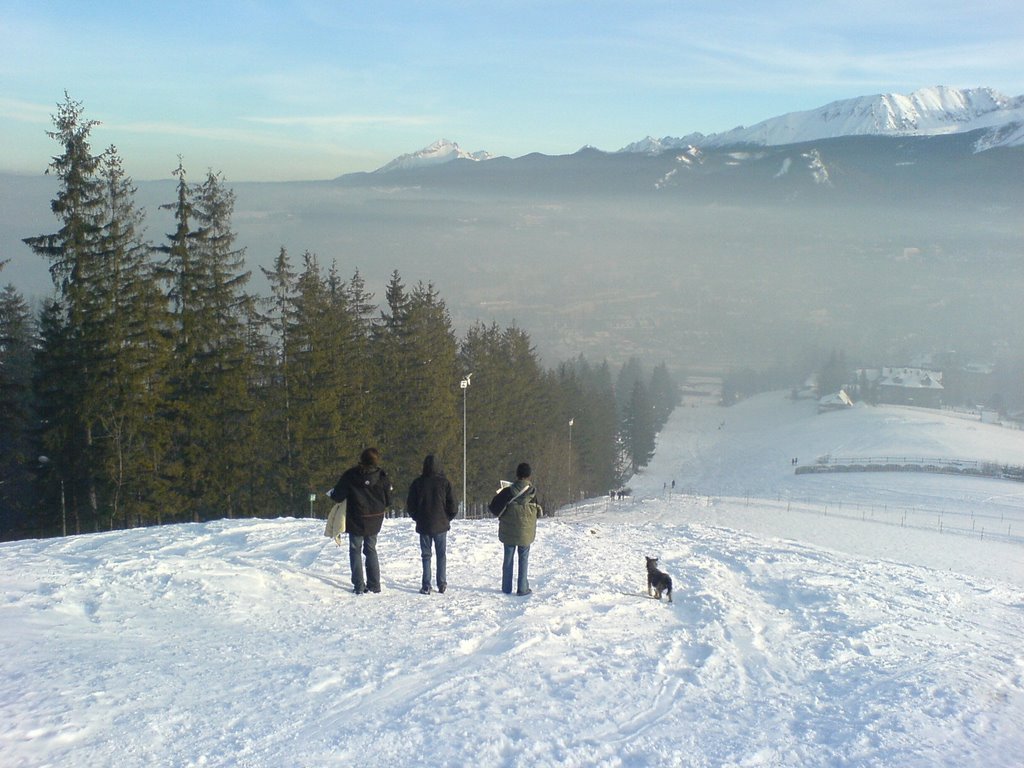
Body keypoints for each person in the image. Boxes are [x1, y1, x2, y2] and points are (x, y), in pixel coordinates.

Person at [328, 447, 392, 594]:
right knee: (371, 549)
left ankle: (359, 586)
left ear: (361, 458)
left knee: (355, 550)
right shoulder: (382, 476)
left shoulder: (351, 475)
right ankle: (375, 585)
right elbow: (389, 500)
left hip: (356, 518)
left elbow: (338, 495)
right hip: (375, 519)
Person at [488, 462, 542, 596]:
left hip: (509, 532)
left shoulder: (508, 491)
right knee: (523, 558)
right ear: (529, 476)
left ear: (517, 475)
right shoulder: (532, 492)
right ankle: (522, 588)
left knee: (508, 558)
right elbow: (538, 512)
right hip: (525, 533)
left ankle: (506, 588)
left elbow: (493, 507)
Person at [406, 454, 456, 594]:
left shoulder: (417, 483)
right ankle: (442, 583)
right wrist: (447, 518)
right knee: (441, 555)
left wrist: (417, 517)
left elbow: (411, 505)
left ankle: (426, 585)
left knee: (426, 555)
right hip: (441, 524)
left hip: (424, 524)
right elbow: (453, 506)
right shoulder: (445, 483)